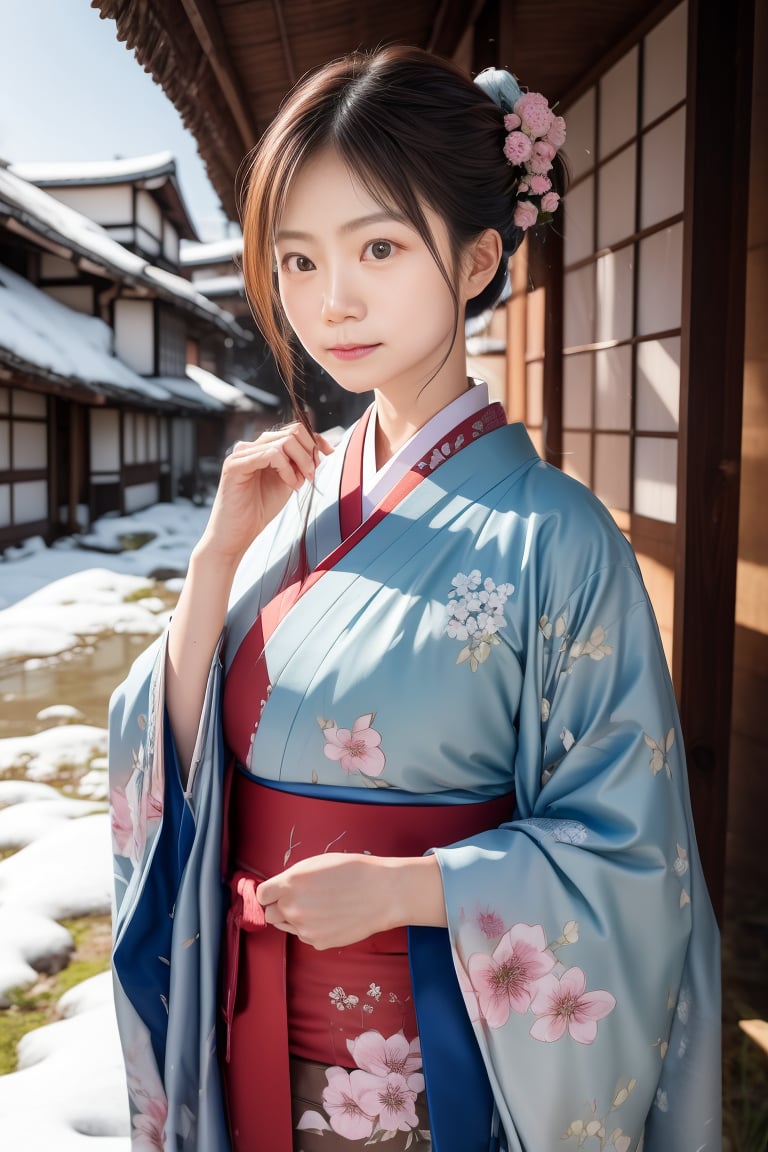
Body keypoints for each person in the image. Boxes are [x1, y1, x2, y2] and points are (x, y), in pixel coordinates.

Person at [108, 45, 720, 1152]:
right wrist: (212, 567)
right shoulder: (288, 506)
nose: (330, 300)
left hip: (432, 1069)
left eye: (379, 247)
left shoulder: (560, 540)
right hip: (247, 1031)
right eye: (295, 261)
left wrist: (412, 891)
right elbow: (187, 760)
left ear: (479, 256)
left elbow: (631, 855)